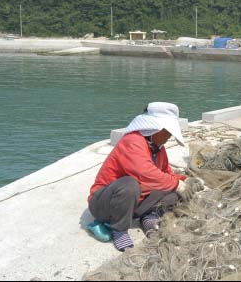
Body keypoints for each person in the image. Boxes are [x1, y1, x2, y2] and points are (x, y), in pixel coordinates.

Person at [87, 102, 204, 251]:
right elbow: (145, 172)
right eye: (168, 132)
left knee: (173, 193)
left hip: (134, 203)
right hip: (105, 204)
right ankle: (119, 229)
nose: (169, 137)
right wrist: (178, 185)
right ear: (156, 129)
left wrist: (185, 180)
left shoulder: (158, 149)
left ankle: (148, 215)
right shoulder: (132, 141)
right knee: (130, 185)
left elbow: (166, 174)